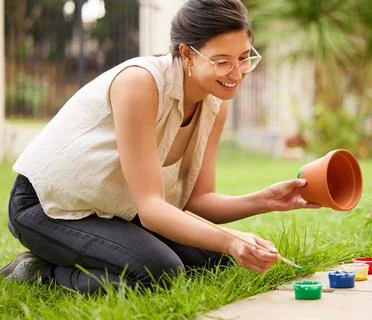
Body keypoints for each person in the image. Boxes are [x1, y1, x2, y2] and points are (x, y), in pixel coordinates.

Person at [0, 0, 318, 293]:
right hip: (48, 206)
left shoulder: (216, 103)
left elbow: (199, 201)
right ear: (187, 54)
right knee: (160, 272)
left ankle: (86, 257)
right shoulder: (140, 83)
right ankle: (40, 272)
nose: (237, 74)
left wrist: (266, 200)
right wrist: (231, 240)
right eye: (222, 61)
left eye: (244, 57)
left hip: (115, 210)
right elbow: (152, 209)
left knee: (218, 259)